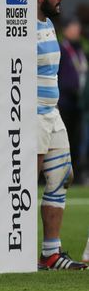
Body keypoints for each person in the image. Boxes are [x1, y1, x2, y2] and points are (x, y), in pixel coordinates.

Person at [35, 0, 87, 270]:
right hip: (31, 115)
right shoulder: (22, 29)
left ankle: (50, 253)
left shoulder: (48, 24)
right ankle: (8, 250)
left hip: (52, 114)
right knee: (26, 181)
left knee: (63, 177)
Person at [58, 17, 87, 181]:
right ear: (66, 29)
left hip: (78, 103)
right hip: (64, 102)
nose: (77, 30)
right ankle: (56, 174)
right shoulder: (62, 49)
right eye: (74, 27)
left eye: (78, 27)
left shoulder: (80, 49)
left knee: (76, 140)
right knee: (63, 141)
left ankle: (73, 174)